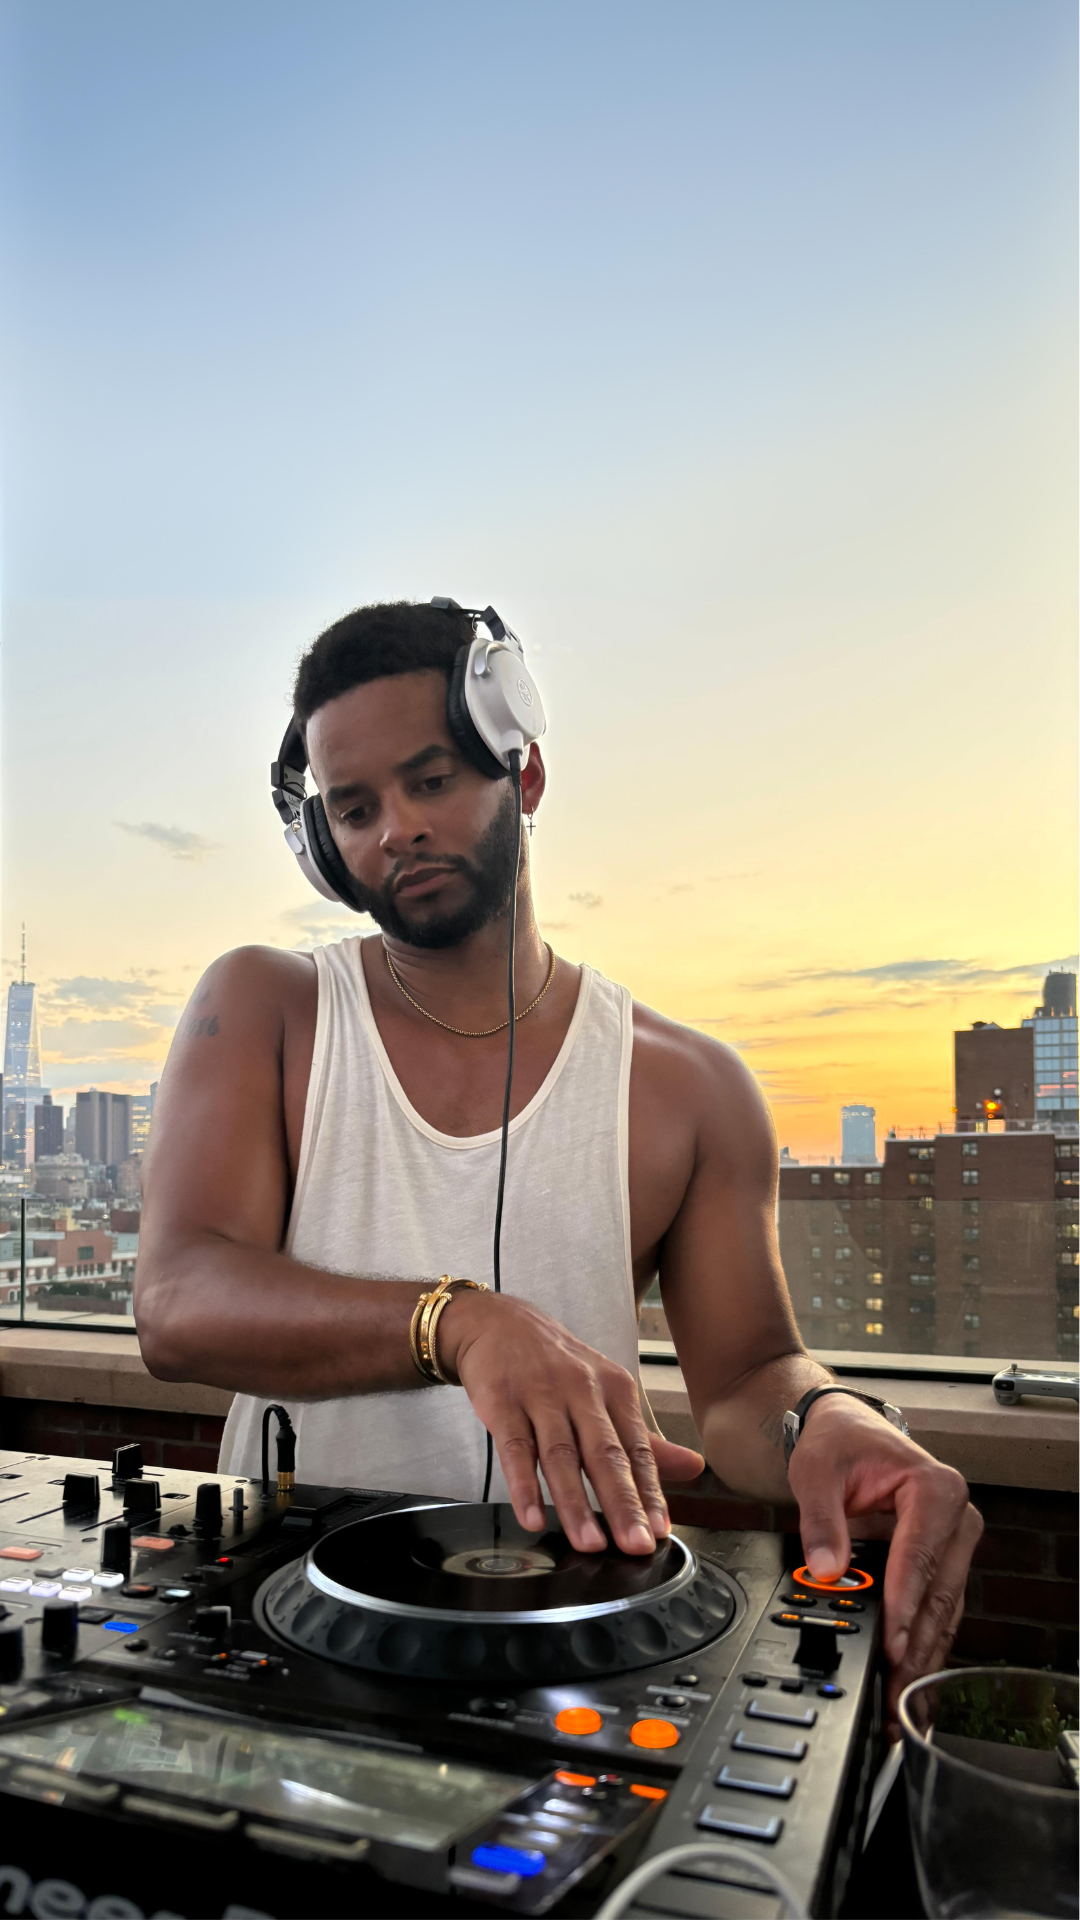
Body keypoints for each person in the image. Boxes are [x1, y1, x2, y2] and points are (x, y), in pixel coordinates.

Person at [135, 599, 982, 1727]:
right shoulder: (265, 1007)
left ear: (523, 773)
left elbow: (742, 1385)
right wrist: (465, 1322)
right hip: (287, 1639)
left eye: (430, 780)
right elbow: (177, 1303)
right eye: (354, 807)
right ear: (322, 845)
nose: (395, 830)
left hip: (573, 1654)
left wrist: (827, 1421)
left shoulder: (691, 1085)